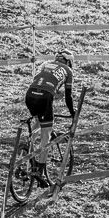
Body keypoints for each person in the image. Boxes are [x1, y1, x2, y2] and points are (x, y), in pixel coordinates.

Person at [24, 50, 76, 187]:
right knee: (46, 135)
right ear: (69, 61)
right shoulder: (68, 71)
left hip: (30, 94)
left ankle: (25, 146)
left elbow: (42, 82)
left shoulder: (45, 64)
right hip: (45, 96)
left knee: (38, 123)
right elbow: (68, 96)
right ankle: (40, 171)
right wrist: (73, 112)